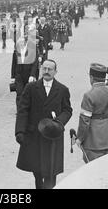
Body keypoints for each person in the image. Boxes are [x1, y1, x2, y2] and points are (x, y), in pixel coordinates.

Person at [15, 59, 72, 189]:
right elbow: (23, 110)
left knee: (51, 172)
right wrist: (20, 131)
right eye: (44, 68)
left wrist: (58, 122)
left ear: (55, 72)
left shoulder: (62, 90)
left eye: (50, 69)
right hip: (35, 136)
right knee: (37, 170)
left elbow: (67, 110)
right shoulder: (31, 88)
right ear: (41, 69)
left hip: (53, 137)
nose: (46, 72)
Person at [76, 63, 108, 163]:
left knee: (93, 168)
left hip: (94, 138)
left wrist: (80, 138)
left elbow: (84, 121)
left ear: (91, 77)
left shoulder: (88, 95)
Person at [11, 27, 38, 111]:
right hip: (19, 74)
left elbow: (35, 63)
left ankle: (29, 109)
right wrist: (12, 77)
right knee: (19, 93)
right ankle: (20, 110)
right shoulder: (17, 48)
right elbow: (14, 63)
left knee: (29, 93)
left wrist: (32, 75)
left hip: (29, 74)